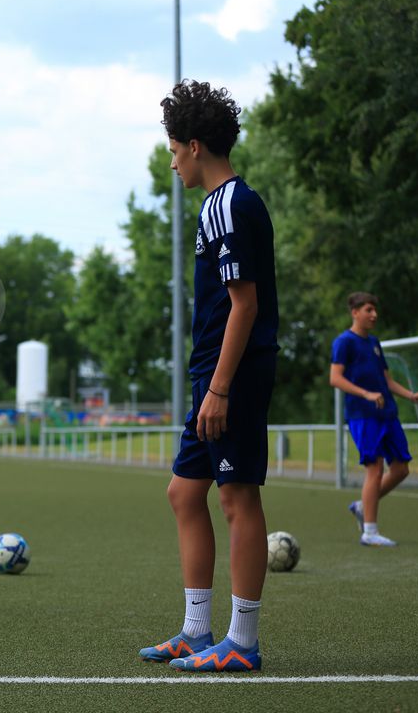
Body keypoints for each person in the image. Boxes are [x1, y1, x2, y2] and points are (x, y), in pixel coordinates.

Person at [138, 81, 278, 672]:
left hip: (231, 374)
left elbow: (244, 305)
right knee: (183, 491)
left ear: (195, 146)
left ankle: (242, 643)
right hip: (213, 373)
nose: (172, 163)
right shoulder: (220, 205)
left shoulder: (228, 205)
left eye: (174, 150)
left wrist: (219, 388)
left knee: (237, 498)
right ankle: (197, 631)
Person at [329, 292, 418, 547]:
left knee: (401, 469)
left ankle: (362, 506)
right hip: (363, 416)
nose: (374, 315)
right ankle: (370, 532)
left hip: (387, 413)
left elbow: (388, 381)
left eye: (375, 310)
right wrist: (366, 394)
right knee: (374, 469)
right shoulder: (344, 342)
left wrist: (411, 396)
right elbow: (335, 378)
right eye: (368, 310)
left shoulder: (374, 342)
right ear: (355, 312)